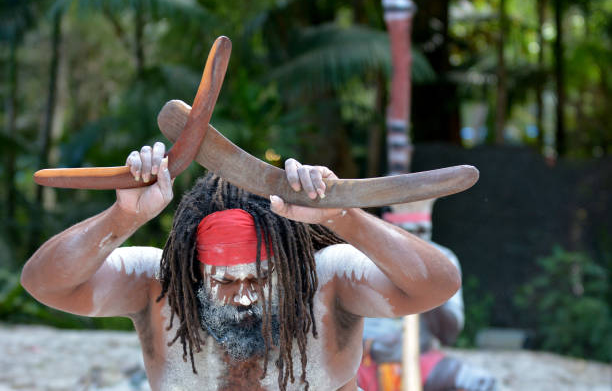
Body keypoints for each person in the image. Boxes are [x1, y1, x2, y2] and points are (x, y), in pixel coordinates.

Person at [21, 142, 461, 391]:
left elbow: (436, 286)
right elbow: (44, 284)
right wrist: (125, 218)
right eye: (224, 282)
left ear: (289, 268)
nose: (246, 295)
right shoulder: (158, 286)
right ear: (194, 272)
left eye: (262, 277)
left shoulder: (326, 282)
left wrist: (342, 217)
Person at [358, 200, 497, 391]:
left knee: (478, 383)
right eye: (409, 232)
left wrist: (431, 288)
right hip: (364, 360)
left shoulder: (443, 258)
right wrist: (368, 345)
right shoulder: (361, 255)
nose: (417, 242)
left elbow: (449, 335)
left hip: (420, 358)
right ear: (387, 229)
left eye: (422, 232)